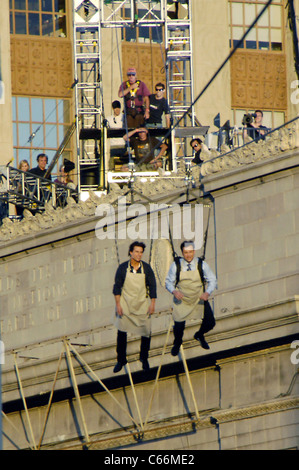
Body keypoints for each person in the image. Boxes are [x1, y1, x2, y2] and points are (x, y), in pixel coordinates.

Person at [165, 240, 217, 356]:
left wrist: (207, 293)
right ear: (182, 253)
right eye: (185, 252)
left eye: (190, 252)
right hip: (182, 299)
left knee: (210, 322)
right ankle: (177, 343)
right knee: (179, 327)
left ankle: (199, 335)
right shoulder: (176, 266)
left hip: (198, 298)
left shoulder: (201, 264)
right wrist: (174, 291)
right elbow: (168, 282)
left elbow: (212, 280)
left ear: (194, 251)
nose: (188, 255)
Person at [112, 241, 157, 373]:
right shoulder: (122, 268)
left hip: (141, 303)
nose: (139, 254)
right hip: (125, 303)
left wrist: (152, 303)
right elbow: (117, 287)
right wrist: (118, 305)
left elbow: (152, 286)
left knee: (146, 331)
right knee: (121, 332)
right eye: (136, 251)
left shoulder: (147, 268)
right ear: (131, 252)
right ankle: (121, 360)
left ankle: (144, 357)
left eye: (141, 252)